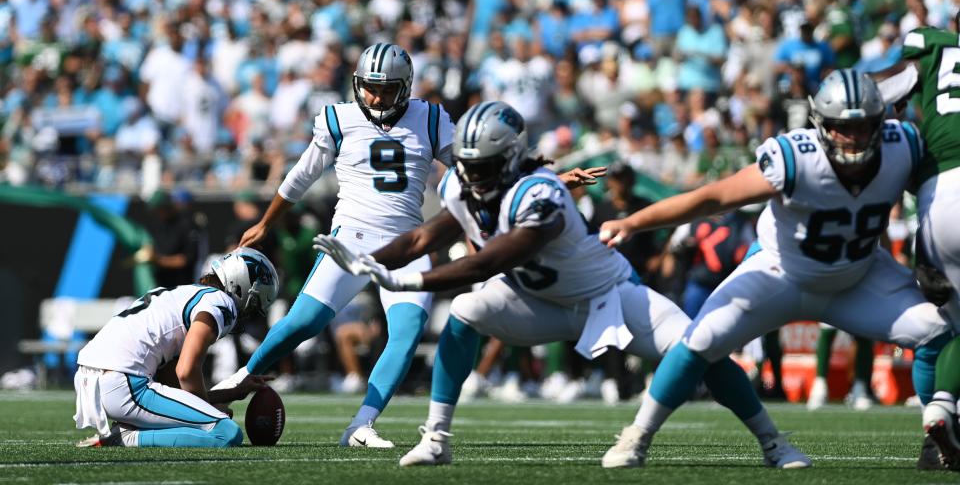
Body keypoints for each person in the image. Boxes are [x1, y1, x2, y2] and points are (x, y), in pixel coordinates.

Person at [314, 101, 809, 469]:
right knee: (466, 313)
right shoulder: (467, 184)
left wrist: (403, 279)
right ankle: (436, 438)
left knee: (700, 348)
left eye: (483, 166)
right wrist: (365, 261)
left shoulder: (542, 194)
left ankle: (772, 441)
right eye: (466, 163)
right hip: (533, 300)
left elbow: (488, 262)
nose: (472, 175)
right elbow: (423, 235)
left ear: (510, 158)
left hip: (605, 297)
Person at [214, 43, 602, 448]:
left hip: (408, 243)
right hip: (351, 238)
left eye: (387, 89)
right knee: (304, 322)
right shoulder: (339, 118)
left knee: (407, 330)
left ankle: (361, 424)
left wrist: (547, 177)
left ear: (406, 86)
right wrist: (265, 222)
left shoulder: (429, 117)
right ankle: (242, 379)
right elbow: (300, 175)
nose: (377, 97)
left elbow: (480, 165)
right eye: (369, 88)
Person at [598, 69, 951, 468]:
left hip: (857, 276)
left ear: (879, 122)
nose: (853, 138)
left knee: (936, 329)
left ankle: (938, 440)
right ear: (822, 125)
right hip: (780, 273)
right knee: (700, 340)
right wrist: (633, 222)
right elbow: (713, 197)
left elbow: (936, 203)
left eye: (863, 126)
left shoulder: (902, 145)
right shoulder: (795, 157)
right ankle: (637, 437)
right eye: (841, 128)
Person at [73, 248, 279, 447]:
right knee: (226, 433)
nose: (249, 312)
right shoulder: (221, 303)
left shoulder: (184, 294)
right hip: (123, 382)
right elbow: (186, 371)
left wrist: (230, 393)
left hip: (94, 378)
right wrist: (209, 410)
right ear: (239, 286)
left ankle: (130, 429)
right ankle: (125, 438)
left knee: (209, 421)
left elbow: (174, 388)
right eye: (253, 303)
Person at [877, 25, 960, 468]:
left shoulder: (934, 50)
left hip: (935, 204)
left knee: (949, 327)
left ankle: (939, 418)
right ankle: (944, 410)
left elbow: (874, 90)